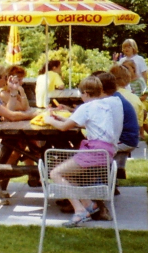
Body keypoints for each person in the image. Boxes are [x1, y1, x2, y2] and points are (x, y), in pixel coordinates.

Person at [44, 76, 120, 227]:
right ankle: (88, 204)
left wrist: (50, 120)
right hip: (106, 152)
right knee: (66, 172)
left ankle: (79, 211)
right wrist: (60, 117)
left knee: (55, 173)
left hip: (94, 153)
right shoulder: (105, 106)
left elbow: (64, 127)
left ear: (85, 92)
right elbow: (90, 125)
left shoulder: (86, 107)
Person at [0, 64, 37, 205]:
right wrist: (32, 115)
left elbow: (6, 116)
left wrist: (13, 92)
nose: (7, 80)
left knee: (15, 150)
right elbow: (11, 116)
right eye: (5, 77)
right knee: (12, 148)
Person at [110, 65, 144, 136]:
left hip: (119, 136)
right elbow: (141, 120)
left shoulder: (111, 96)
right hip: (133, 136)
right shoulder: (135, 97)